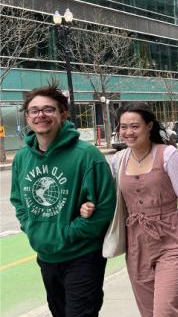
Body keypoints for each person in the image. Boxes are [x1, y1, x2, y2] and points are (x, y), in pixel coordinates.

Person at [86, 102, 178, 316]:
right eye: (123, 127)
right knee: (148, 312)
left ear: (149, 126)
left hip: (173, 241)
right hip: (137, 246)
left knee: (165, 311)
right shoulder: (119, 160)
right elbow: (110, 199)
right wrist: (88, 206)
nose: (128, 132)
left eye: (134, 126)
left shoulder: (168, 154)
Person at [10, 83, 116, 316]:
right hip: (46, 256)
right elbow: (18, 201)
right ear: (27, 117)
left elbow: (105, 207)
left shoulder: (87, 156)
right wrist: (32, 228)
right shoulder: (22, 158)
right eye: (34, 110)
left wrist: (70, 232)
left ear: (63, 114)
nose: (41, 115)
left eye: (49, 109)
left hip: (82, 255)